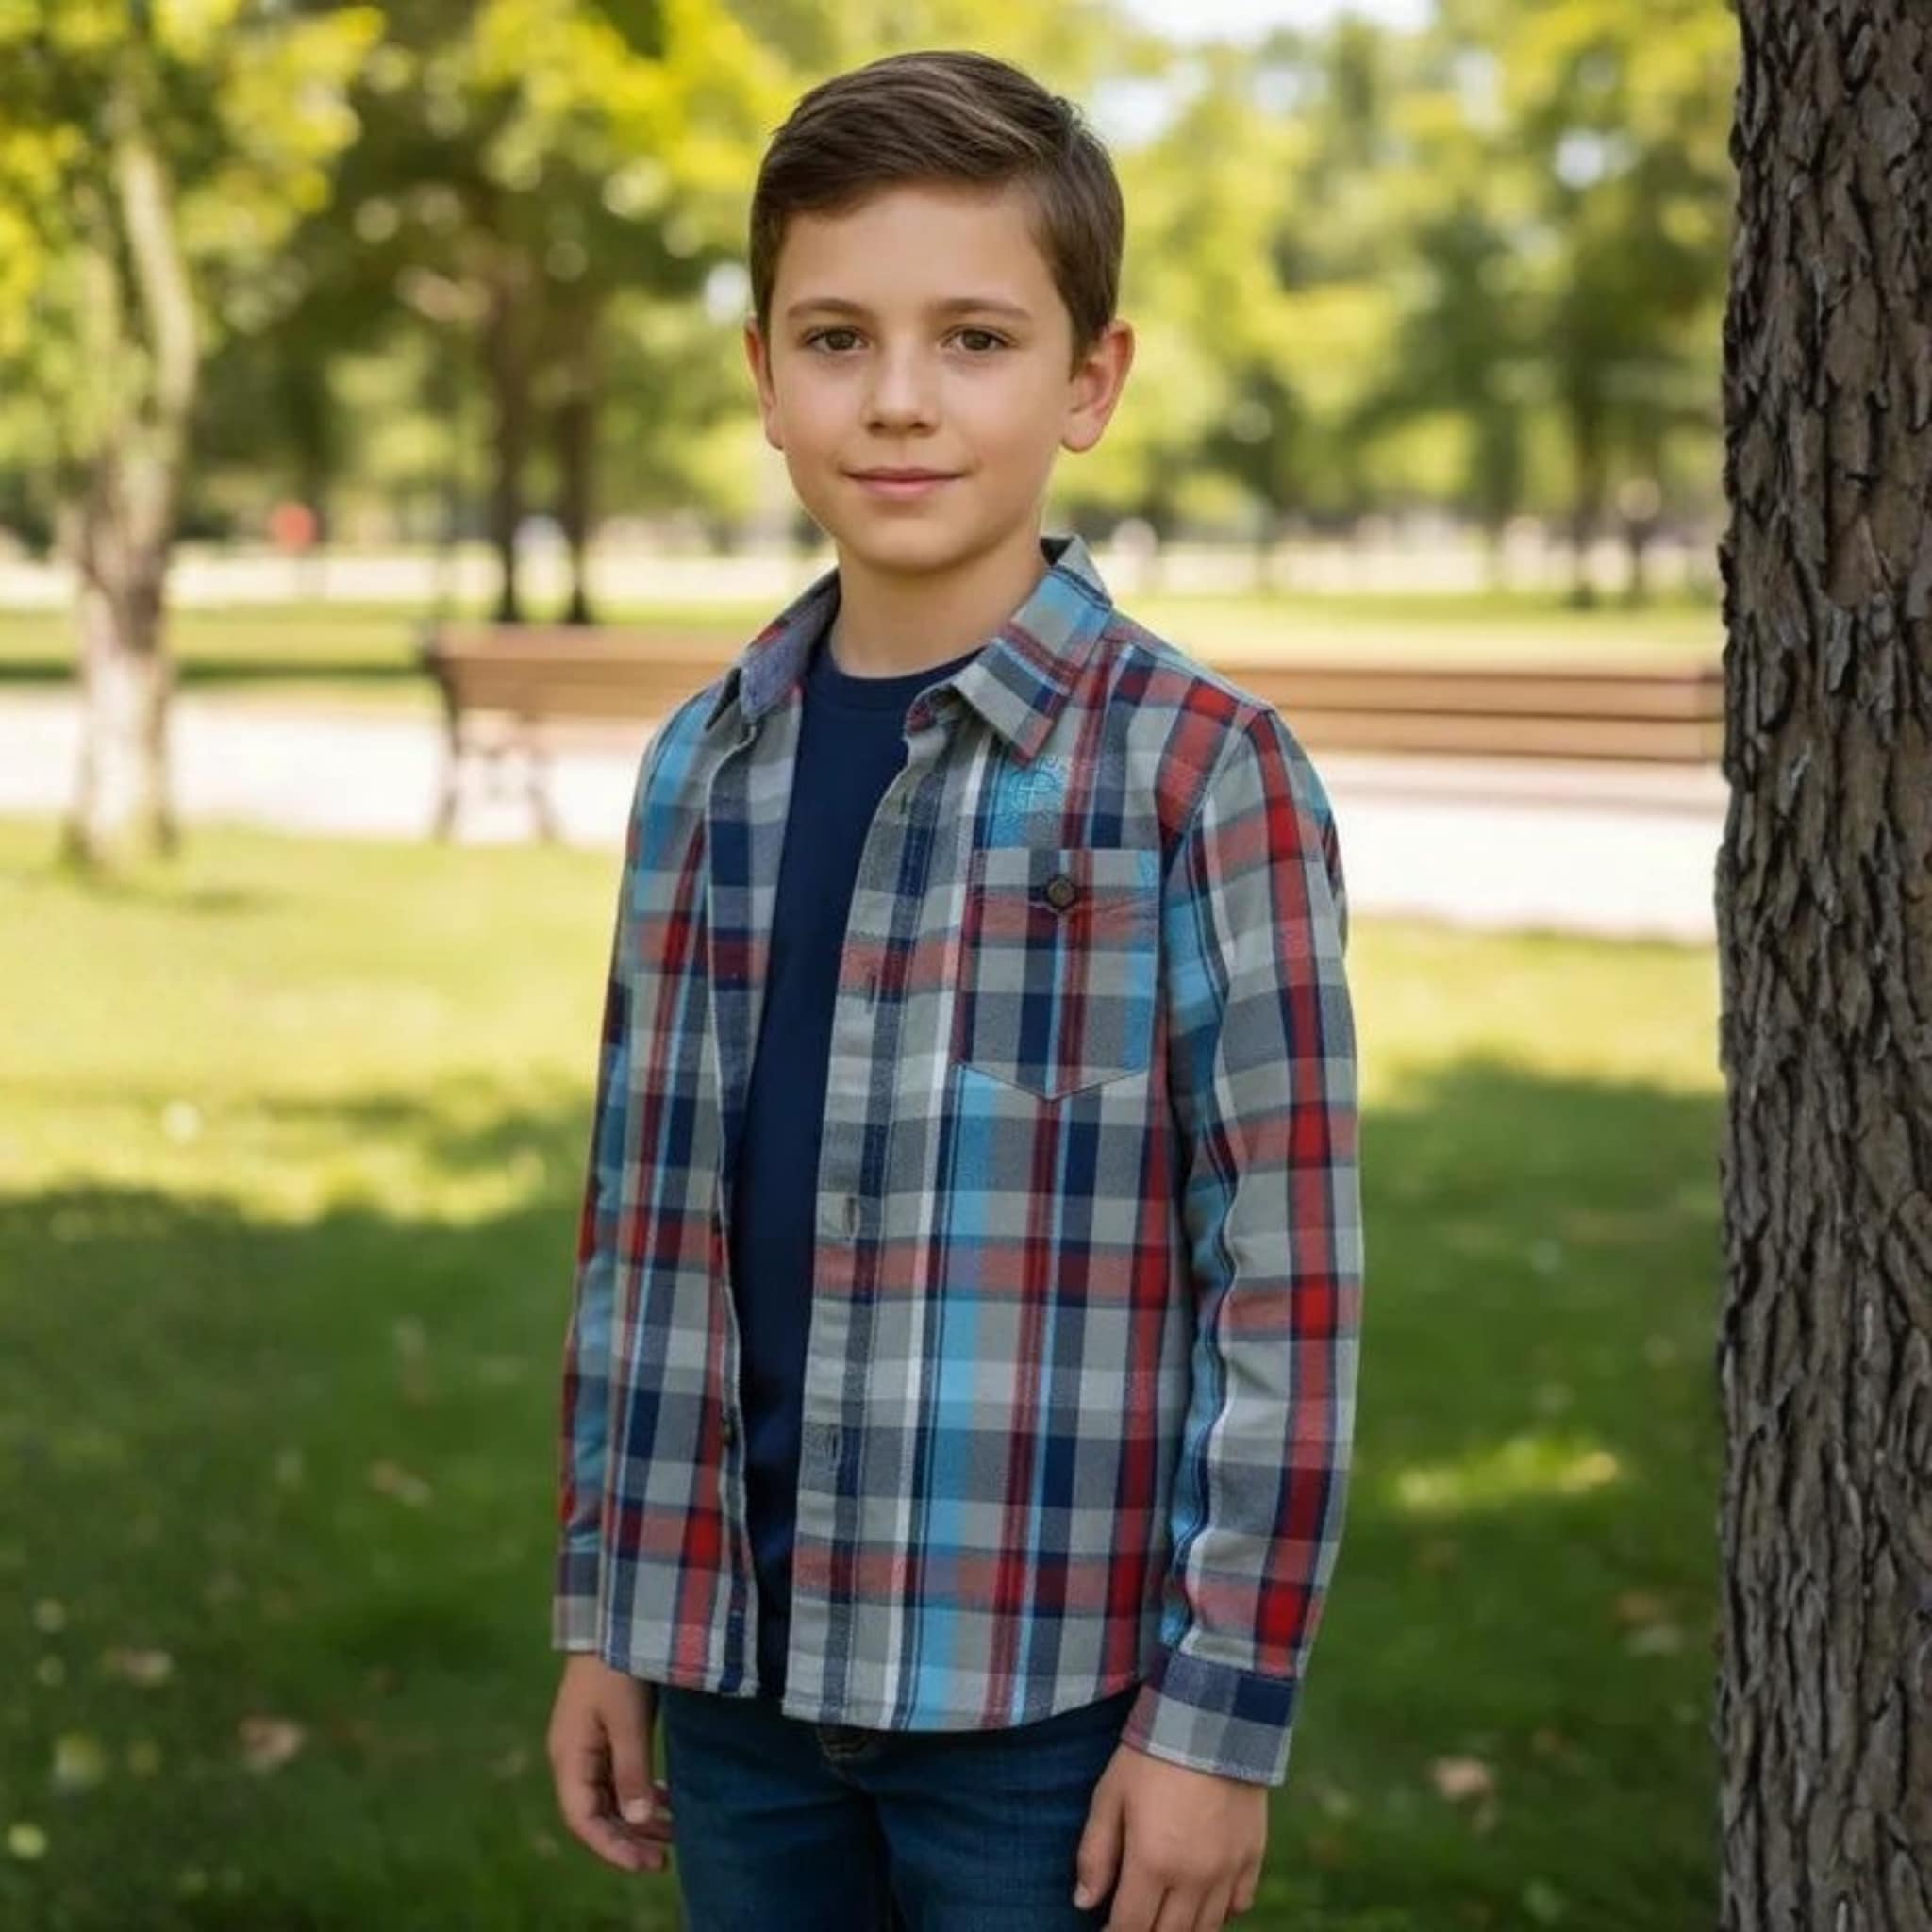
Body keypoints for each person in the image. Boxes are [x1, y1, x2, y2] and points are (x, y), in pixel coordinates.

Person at [544, 45, 1363, 1932]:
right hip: (735, 1693)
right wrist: (611, 1609)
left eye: (974, 340)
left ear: (1089, 381)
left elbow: (1288, 1291)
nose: (898, 401)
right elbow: (638, 1231)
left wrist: (1218, 1720)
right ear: (760, 376)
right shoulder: (703, 766)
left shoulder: (1197, 777)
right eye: (835, 338)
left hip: (1045, 1719)